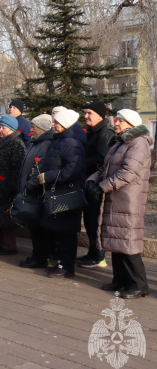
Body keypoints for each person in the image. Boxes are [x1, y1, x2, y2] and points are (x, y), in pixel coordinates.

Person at [87, 109, 152, 299]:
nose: (115, 123)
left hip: (127, 199)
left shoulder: (138, 143)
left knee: (127, 240)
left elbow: (128, 173)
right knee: (116, 239)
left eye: (120, 121)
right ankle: (120, 280)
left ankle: (139, 284)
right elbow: (105, 167)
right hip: (115, 196)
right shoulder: (121, 142)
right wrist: (92, 181)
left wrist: (102, 187)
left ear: (130, 123)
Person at [26, 109, 86, 278]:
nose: (54, 125)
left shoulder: (72, 143)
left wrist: (49, 176)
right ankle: (62, 263)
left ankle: (66, 266)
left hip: (67, 193)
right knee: (61, 231)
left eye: (57, 123)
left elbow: (71, 169)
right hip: (59, 191)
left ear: (66, 124)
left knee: (66, 232)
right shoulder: (60, 140)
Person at [77, 101, 115, 269]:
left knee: (95, 221)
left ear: (100, 115)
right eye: (86, 113)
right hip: (89, 183)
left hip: (96, 186)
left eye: (89, 113)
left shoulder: (105, 134)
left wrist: (81, 163)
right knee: (90, 220)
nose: (85, 116)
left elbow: (102, 160)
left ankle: (99, 256)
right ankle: (92, 254)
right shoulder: (93, 132)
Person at [18, 114, 56, 268]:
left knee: (39, 227)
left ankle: (40, 257)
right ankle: (38, 255)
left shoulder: (46, 143)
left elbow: (43, 168)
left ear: (41, 128)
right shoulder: (37, 142)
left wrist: (30, 184)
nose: (30, 130)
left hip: (38, 192)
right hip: (32, 191)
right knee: (35, 227)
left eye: (33, 127)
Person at [0, 115, 26, 255]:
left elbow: (18, 168)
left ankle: (9, 245)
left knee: (7, 217)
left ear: (11, 129)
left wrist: (11, 187)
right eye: (0, 127)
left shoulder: (17, 144)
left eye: (3, 128)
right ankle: (0, 242)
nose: (0, 130)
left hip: (8, 187)